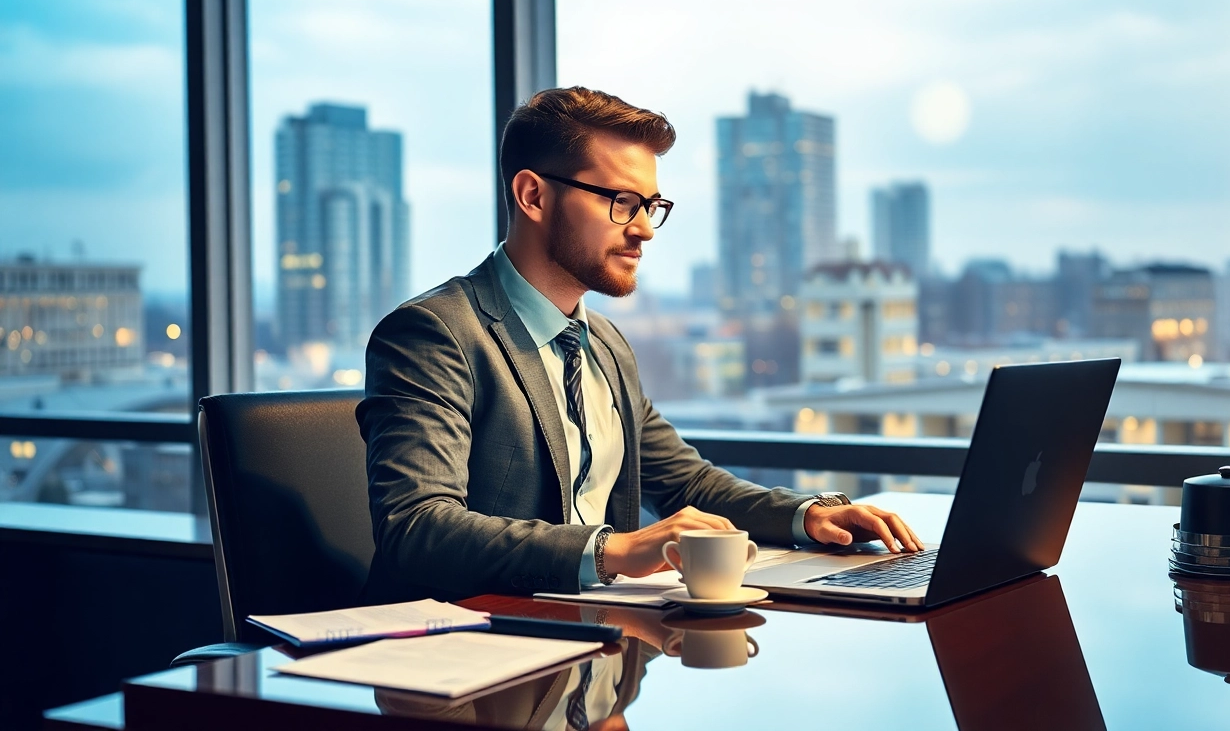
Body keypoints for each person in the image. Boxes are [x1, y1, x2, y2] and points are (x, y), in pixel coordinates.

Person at [356, 86, 922, 604]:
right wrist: (616, 551)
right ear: (532, 195)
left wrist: (810, 513)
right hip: (466, 655)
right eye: (622, 201)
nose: (645, 229)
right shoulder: (435, 333)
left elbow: (686, 483)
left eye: (651, 206)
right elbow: (418, 525)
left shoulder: (603, 343)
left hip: (591, 643)